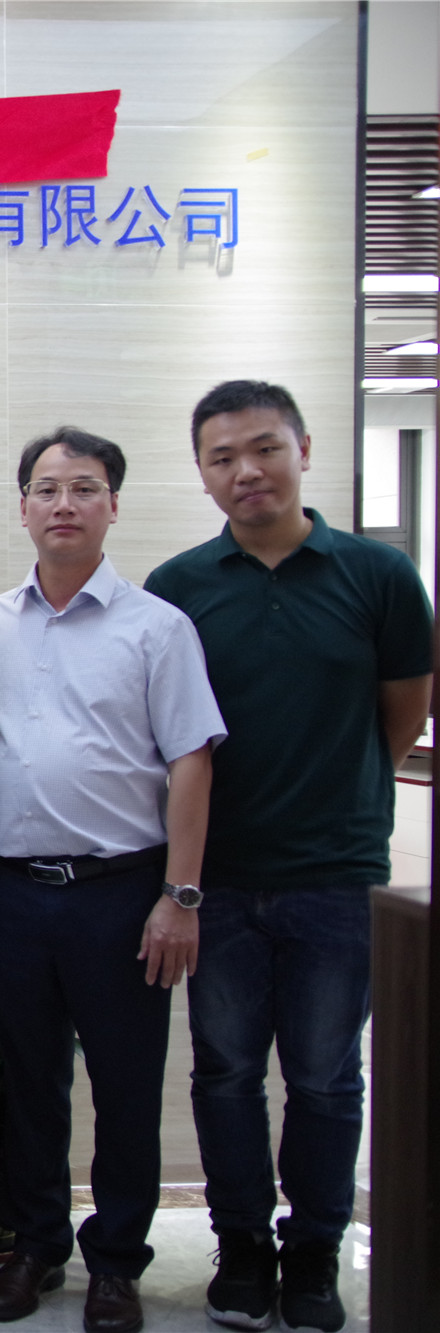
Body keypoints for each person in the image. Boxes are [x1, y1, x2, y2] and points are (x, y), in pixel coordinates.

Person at [145, 381, 432, 1333]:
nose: (247, 470)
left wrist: (342, 794)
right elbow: (170, 738)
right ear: (202, 474)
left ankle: (313, 1253)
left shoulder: (378, 576)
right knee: (225, 1073)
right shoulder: (180, 587)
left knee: (325, 1076)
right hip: (218, 878)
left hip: (336, 877)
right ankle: (242, 1249)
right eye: (223, 457)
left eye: (264, 448)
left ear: (303, 449)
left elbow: (404, 710)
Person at [0, 427, 224, 1333]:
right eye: (47, 488)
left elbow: (191, 763)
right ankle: (36, 1246)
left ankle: (116, 1262)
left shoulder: (158, 627)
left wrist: (180, 894)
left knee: (127, 1086)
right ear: (22, 506)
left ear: (113, 504)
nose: (64, 503)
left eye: (85, 487)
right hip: (12, 888)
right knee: (30, 1080)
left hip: (122, 892)